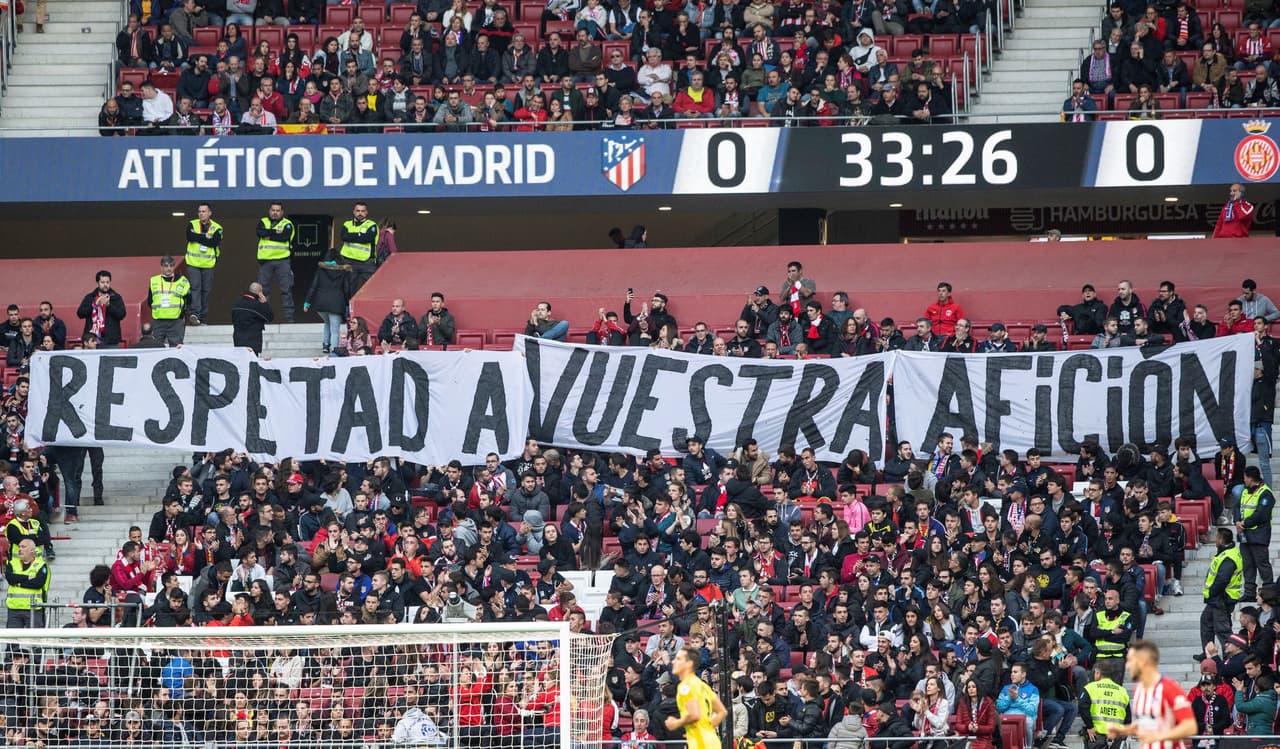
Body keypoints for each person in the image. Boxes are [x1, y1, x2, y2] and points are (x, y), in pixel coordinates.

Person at [1107, 640, 1196, 749]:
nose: (1128, 666)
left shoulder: (1168, 687)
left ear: (1143, 661)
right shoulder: (1139, 689)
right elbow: (1146, 725)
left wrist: (1159, 737)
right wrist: (1122, 730)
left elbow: (1190, 726)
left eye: (1130, 660)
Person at [664, 645, 727, 749]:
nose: (673, 661)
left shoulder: (685, 685)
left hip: (700, 744)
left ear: (689, 664)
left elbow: (694, 715)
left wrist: (676, 723)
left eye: (678, 659)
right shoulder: (702, 685)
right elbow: (722, 712)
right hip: (712, 741)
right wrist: (706, 729)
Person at [303, 249, 354, 356]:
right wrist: (348, 304)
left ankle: (326, 345)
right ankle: (334, 351)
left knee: (327, 322)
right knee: (335, 329)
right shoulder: (343, 270)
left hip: (321, 303)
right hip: (336, 302)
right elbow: (346, 289)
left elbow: (314, 286)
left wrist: (307, 303)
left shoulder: (321, 269)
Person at [1236, 465, 1274, 601]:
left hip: (1259, 535)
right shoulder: (1245, 491)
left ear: (1251, 478)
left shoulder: (1266, 493)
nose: (1243, 480)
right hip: (1244, 534)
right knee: (1247, 565)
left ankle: (1269, 593)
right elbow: (1237, 506)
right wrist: (1237, 521)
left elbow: (1261, 514)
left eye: (1245, 477)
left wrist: (1244, 523)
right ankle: (1249, 593)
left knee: (1262, 564)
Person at [256, 202, 296, 323]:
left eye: (278, 210)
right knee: (263, 291)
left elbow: (284, 237)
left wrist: (269, 234)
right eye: (273, 210)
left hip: (282, 261)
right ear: (269, 211)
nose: (275, 212)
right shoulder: (263, 221)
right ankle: (263, 317)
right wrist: (275, 232)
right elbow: (259, 232)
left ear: (282, 212)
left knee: (286, 290)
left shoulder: (287, 224)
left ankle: (289, 319)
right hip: (265, 261)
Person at [184, 202, 223, 325]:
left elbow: (214, 242)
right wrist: (205, 237)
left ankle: (203, 318)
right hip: (193, 263)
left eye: (203, 211)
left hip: (208, 264)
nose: (201, 214)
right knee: (195, 288)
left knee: (206, 291)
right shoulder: (192, 223)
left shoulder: (217, 227)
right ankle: (195, 314)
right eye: (199, 211)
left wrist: (198, 236)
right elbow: (190, 237)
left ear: (210, 213)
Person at [1079, 659, 1130, 749]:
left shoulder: (1090, 688)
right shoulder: (1122, 691)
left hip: (1096, 736)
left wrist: (1090, 726)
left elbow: (1082, 707)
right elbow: (1128, 716)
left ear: (1098, 673)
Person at [5, 539, 49, 630]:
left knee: (35, 641)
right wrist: (27, 577)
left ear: (32, 550)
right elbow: (10, 578)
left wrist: (18, 583)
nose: (20, 549)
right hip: (14, 608)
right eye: (19, 547)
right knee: (13, 642)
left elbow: (38, 583)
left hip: (34, 608)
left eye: (23, 547)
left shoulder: (41, 565)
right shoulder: (12, 563)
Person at [147, 255, 190, 347]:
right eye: (166, 266)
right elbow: (150, 300)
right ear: (161, 267)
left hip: (175, 321)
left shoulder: (182, 281)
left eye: (171, 266)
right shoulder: (154, 280)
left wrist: (182, 314)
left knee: (176, 349)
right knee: (156, 348)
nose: (169, 268)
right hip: (158, 321)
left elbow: (189, 300)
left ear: (174, 266)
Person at [76, 270, 127, 347]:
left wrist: (109, 305)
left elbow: (122, 314)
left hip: (111, 340)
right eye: (102, 282)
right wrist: (94, 305)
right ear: (98, 283)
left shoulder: (116, 297)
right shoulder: (90, 297)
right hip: (92, 340)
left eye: (107, 282)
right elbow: (80, 313)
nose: (105, 285)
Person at [339, 202, 380, 291]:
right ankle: (349, 305)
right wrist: (359, 235)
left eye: (362, 211)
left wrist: (352, 236)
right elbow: (344, 237)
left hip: (367, 262)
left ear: (366, 212)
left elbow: (367, 238)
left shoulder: (371, 225)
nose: (360, 213)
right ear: (354, 212)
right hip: (349, 261)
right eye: (358, 211)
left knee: (371, 288)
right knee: (348, 288)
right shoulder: (347, 224)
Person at [231, 282, 274, 355]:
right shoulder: (256, 305)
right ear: (260, 293)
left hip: (238, 340)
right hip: (252, 342)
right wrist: (265, 303)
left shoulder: (236, 304)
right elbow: (269, 317)